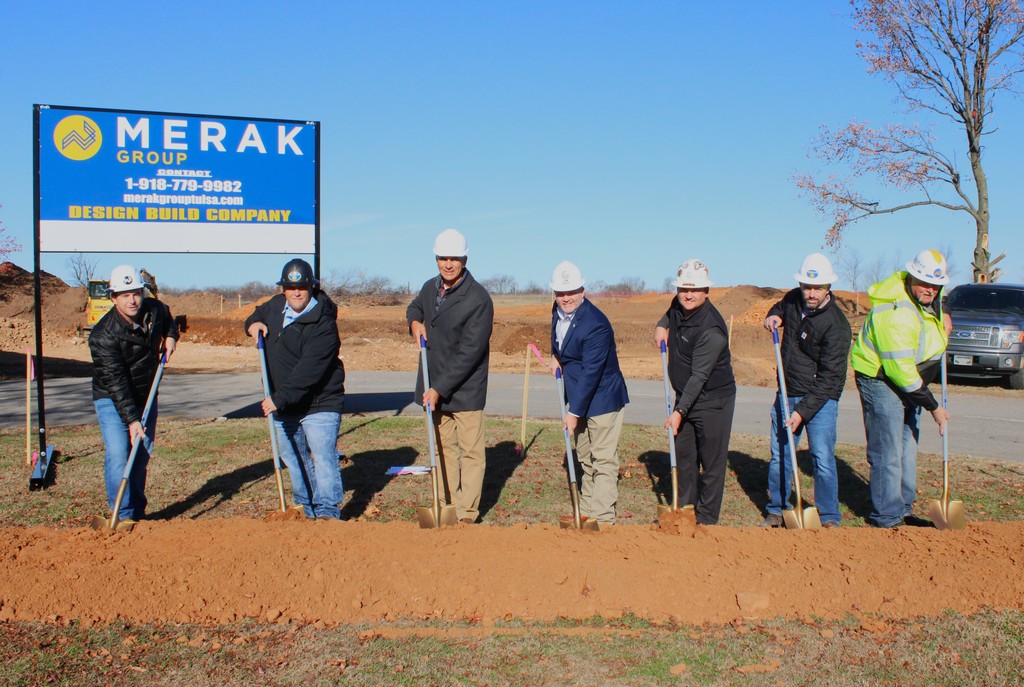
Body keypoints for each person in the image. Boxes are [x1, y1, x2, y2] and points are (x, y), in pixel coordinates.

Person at [850, 249, 950, 528]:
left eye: (936, 285)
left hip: (909, 382)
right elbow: (900, 371)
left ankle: (903, 509)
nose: (930, 289)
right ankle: (886, 517)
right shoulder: (895, 312)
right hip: (882, 380)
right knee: (888, 450)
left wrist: (945, 316)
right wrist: (934, 407)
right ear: (912, 276)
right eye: (925, 282)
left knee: (907, 448)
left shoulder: (924, 298)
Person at [245, 258, 346, 520]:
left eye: (301, 287)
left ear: (311, 287)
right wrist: (253, 324)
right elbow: (257, 313)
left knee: (323, 457)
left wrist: (279, 398)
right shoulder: (276, 306)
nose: (296, 292)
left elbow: (309, 371)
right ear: (284, 290)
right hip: (284, 402)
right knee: (293, 458)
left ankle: (327, 511)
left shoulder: (324, 323)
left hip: (319, 402)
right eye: (290, 288)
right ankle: (306, 509)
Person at [407, 228, 494, 524]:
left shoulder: (478, 299)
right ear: (436, 258)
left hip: (465, 388)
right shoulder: (429, 288)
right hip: (435, 383)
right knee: (443, 449)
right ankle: (447, 504)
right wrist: (414, 322)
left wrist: (438, 388)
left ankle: (467, 512)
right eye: (443, 258)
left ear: (464, 259)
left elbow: (469, 353)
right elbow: (415, 307)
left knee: (470, 453)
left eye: (454, 259)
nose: (448, 264)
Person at [760, 253, 851, 529]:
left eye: (817, 288)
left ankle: (828, 516)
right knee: (781, 455)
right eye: (807, 287)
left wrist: (801, 411)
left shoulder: (837, 326)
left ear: (828, 289)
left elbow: (830, 378)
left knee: (822, 457)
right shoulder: (792, 300)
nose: (811, 293)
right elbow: (779, 306)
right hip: (786, 393)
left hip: (820, 400)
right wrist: (773, 316)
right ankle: (777, 509)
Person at [89, 264, 178, 529]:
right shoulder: (103, 336)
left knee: (141, 453)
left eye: (136, 292)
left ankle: (136, 513)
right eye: (125, 294)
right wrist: (132, 420)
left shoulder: (154, 309)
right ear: (113, 298)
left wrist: (171, 337)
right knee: (119, 452)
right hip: (112, 397)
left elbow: (169, 320)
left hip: (146, 393)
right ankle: (122, 514)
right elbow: (116, 384)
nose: (132, 299)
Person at [653, 259, 736, 525]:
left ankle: (707, 520)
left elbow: (699, 377)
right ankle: (686, 512)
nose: (688, 294)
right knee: (685, 456)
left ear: (706, 292)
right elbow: (669, 313)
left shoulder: (711, 329)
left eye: (695, 289)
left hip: (713, 400)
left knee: (711, 462)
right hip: (686, 395)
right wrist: (661, 326)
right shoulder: (679, 306)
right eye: (683, 289)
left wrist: (678, 412)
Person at [548, 261, 629, 526]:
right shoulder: (558, 311)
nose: (566, 297)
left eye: (571, 291)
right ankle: (586, 513)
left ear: (583, 290)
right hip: (579, 397)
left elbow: (591, 373)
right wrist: (555, 356)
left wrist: (572, 413)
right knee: (584, 456)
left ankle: (603, 519)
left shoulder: (596, 325)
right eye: (561, 293)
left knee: (603, 458)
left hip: (603, 397)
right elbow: (560, 340)